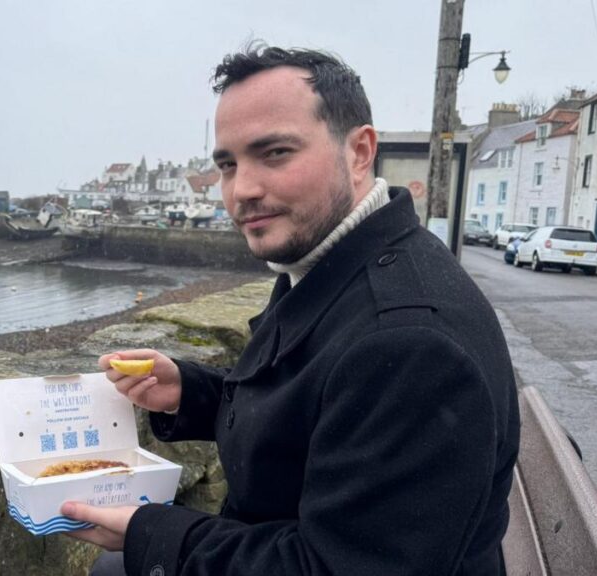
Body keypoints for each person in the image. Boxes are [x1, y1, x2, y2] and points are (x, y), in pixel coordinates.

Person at [60, 43, 520, 576]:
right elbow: (318, 407)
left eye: (275, 153)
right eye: (228, 165)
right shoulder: (340, 266)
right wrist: (192, 392)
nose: (241, 191)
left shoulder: (409, 343)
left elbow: (336, 567)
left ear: (360, 152)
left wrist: (152, 534)